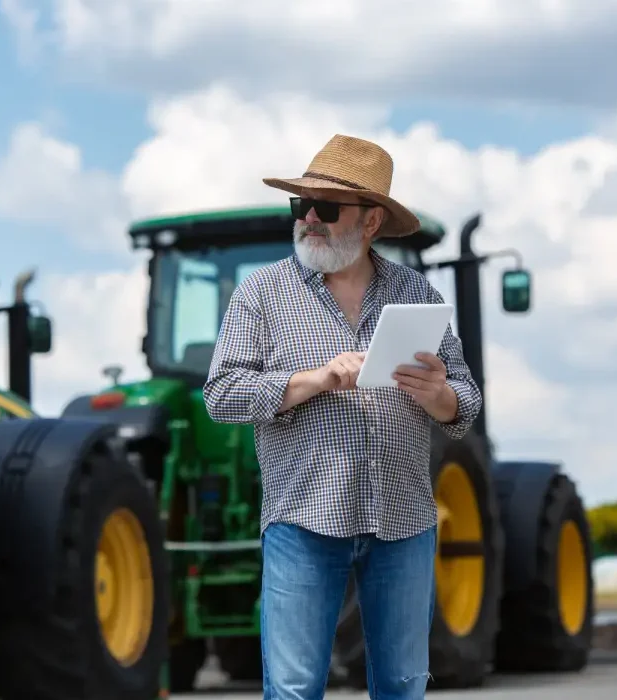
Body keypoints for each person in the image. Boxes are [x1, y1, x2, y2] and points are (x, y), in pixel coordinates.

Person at [203, 134, 483, 700]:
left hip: (404, 521)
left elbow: (466, 405)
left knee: (403, 689)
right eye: (300, 206)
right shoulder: (261, 295)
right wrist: (318, 379)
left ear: (371, 221)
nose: (308, 218)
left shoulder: (417, 295)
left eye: (325, 208)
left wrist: (438, 396)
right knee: (294, 689)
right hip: (303, 519)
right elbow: (221, 394)